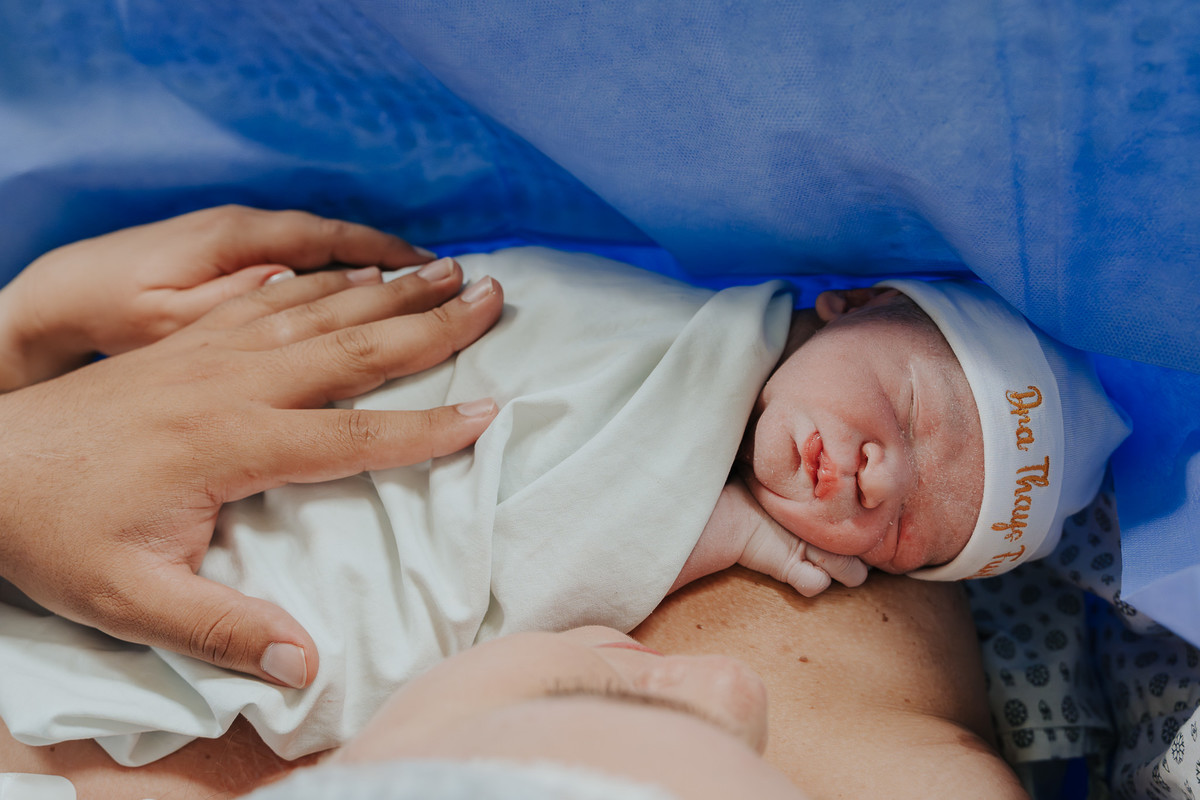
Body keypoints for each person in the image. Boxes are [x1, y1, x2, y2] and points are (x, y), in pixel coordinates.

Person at [0, 211, 1128, 770]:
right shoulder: (664, 336)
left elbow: (527, 563)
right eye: (911, 412)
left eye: (904, 525)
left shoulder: (820, 638)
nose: (880, 473)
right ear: (850, 304)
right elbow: (509, 353)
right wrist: (28, 347)